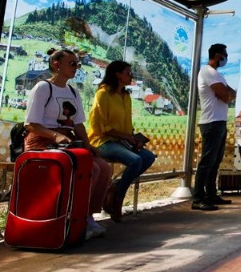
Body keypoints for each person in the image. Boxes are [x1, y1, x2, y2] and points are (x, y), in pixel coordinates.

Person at [23, 48, 114, 239]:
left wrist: (88, 146)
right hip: (43, 142)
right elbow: (31, 124)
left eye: (77, 64)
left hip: (67, 142)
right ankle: (75, 218)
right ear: (56, 65)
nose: (76, 67)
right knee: (92, 170)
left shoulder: (72, 91)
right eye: (72, 63)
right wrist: (55, 136)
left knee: (104, 168)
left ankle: (87, 217)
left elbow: (78, 123)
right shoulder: (42, 88)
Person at [87, 60, 156, 222]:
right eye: (128, 72)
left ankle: (115, 188)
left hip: (122, 141)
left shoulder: (126, 96)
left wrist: (134, 139)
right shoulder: (103, 94)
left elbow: (126, 125)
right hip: (102, 141)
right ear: (117, 74)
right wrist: (125, 137)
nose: (131, 75)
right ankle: (118, 199)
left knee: (148, 157)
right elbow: (98, 126)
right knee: (135, 159)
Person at [194, 43, 236, 210]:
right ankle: (198, 198)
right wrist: (226, 94)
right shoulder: (208, 72)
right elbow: (227, 96)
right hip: (211, 122)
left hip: (219, 121)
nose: (226, 58)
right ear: (218, 56)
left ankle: (211, 194)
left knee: (215, 161)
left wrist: (227, 94)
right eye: (225, 55)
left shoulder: (217, 75)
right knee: (207, 161)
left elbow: (232, 93)